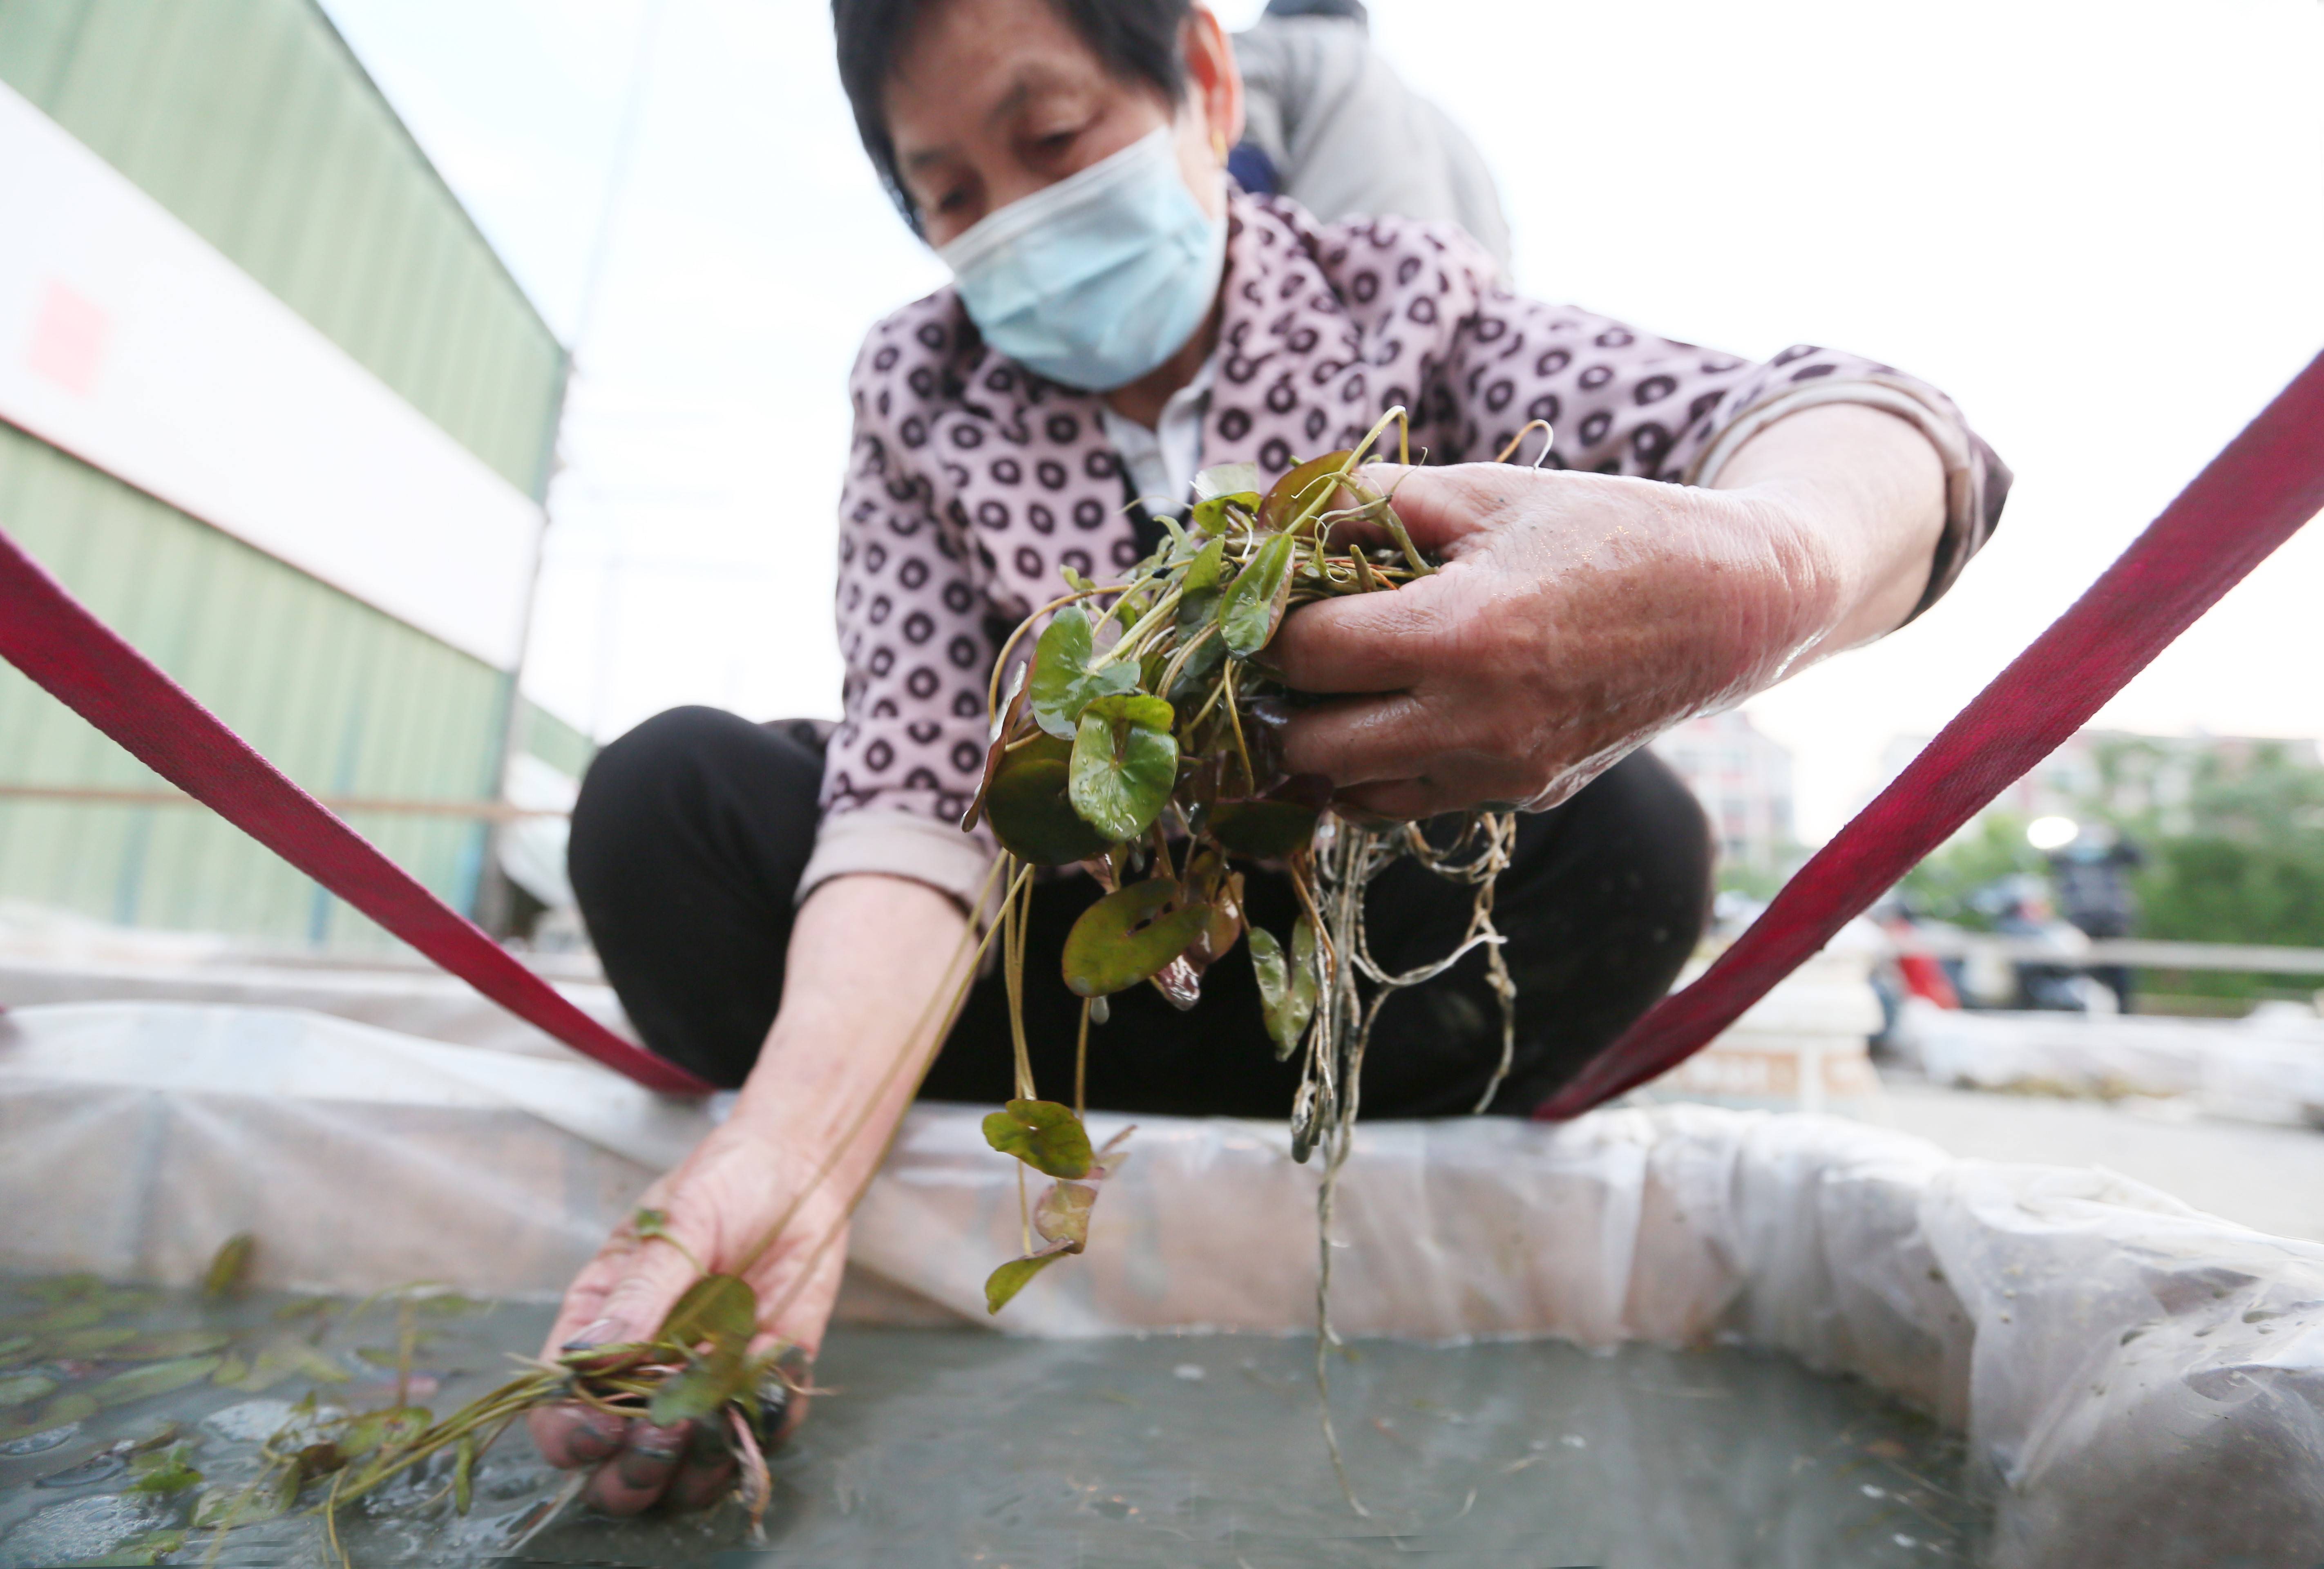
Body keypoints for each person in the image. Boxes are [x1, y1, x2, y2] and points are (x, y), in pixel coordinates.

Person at [530, 0, 2011, 1513]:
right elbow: (914, 785)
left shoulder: (1401, 311)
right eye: (952, 196)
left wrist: (1767, 567)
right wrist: (788, 1156)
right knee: (669, 802)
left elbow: (1868, 430)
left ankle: (1277, 1099)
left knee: (1629, 842)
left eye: (1054, 141)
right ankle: (910, 1100)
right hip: (1032, 958)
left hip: (1346, 961)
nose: (1019, 225)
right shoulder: (923, 394)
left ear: (1206, 82)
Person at [1229, 0, 1513, 269]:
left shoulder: (1271, 47)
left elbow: (1229, 191)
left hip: (1341, 307)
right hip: (1466, 312)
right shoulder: (1450, 131)